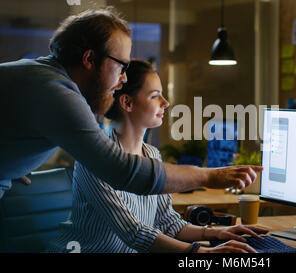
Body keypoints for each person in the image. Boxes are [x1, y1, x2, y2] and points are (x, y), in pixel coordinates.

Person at [0, 7, 262, 199]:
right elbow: (121, 171)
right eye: (121, 66)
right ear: (90, 59)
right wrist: (209, 176)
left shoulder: (43, 79)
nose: (123, 78)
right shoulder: (56, 92)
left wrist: (13, 164)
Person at [46, 60, 268, 253]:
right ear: (127, 103)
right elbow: (134, 232)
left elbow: (168, 223)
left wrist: (218, 233)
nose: (166, 102)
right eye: (155, 96)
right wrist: (204, 253)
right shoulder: (95, 160)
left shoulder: (152, 155)